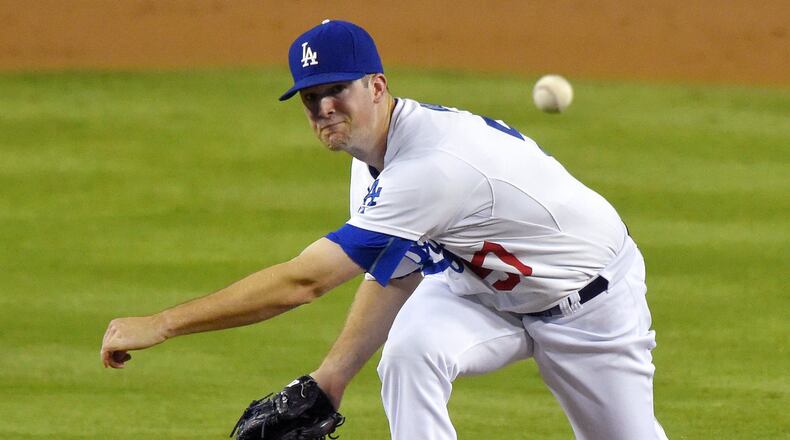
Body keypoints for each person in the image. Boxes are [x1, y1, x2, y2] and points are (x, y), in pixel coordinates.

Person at [101, 19, 668, 440]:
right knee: (410, 354)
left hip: (588, 307)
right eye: (310, 97)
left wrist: (164, 324)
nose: (323, 108)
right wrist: (331, 379)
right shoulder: (370, 155)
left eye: (336, 91)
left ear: (376, 86)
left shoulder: (430, 166)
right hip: (483, 291)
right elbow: (396, 272)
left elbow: (304, 283)